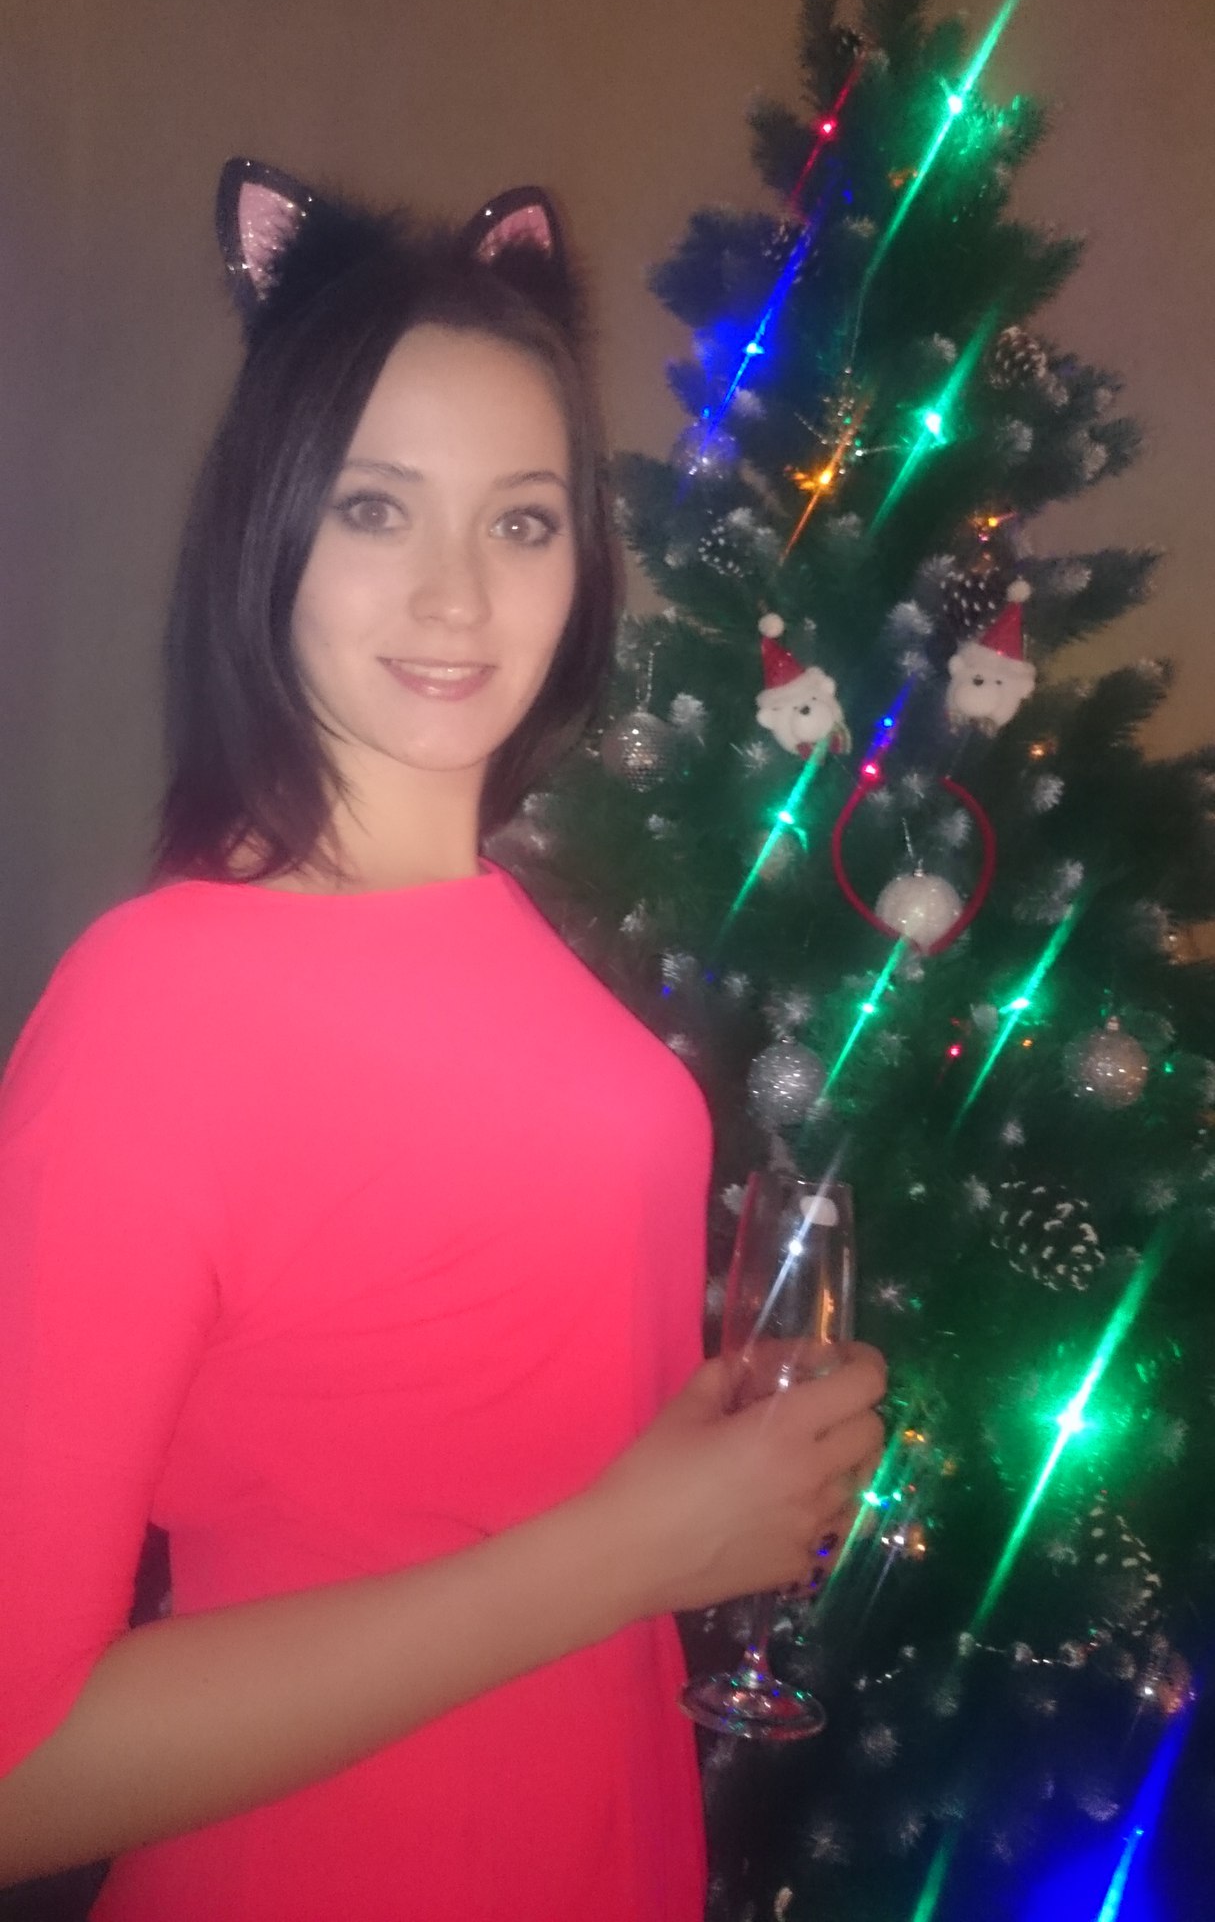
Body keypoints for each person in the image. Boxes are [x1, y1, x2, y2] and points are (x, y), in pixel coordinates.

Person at [0, 160, 886, 1921]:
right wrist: (629, 1550)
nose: (460, 597)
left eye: (523, 522)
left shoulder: (528, 944)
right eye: (376, 509)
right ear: (268, 533)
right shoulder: (153, 1004)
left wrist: (714, 1466)